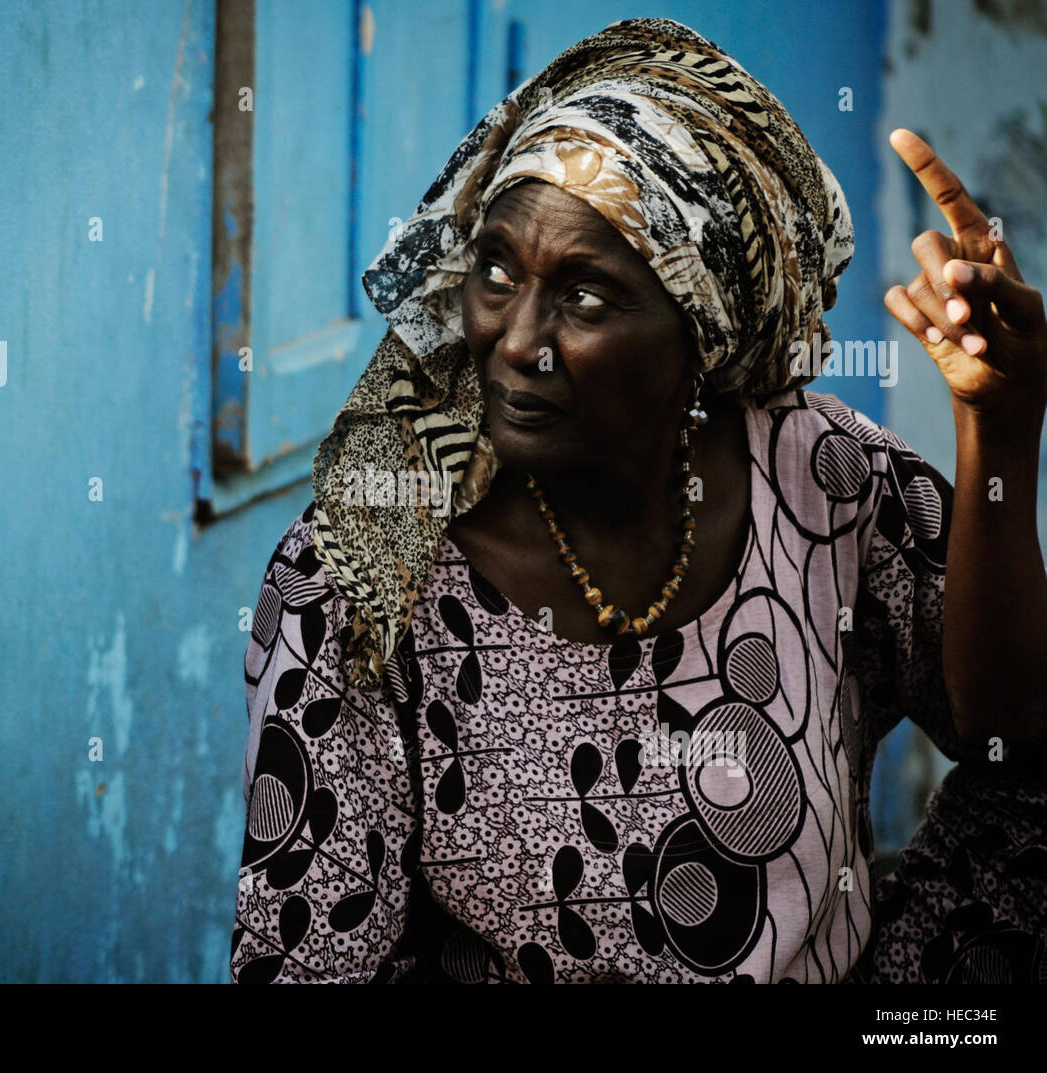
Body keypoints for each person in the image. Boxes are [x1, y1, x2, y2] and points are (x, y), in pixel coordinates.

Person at [228, 16, 1047, 983]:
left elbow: (1014, 736)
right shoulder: (362, 576)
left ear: (697, 336)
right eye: (497, 272)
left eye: (584, 296)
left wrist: (998, 428)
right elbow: (312, 957)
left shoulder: (822, 476)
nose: (516, 339)